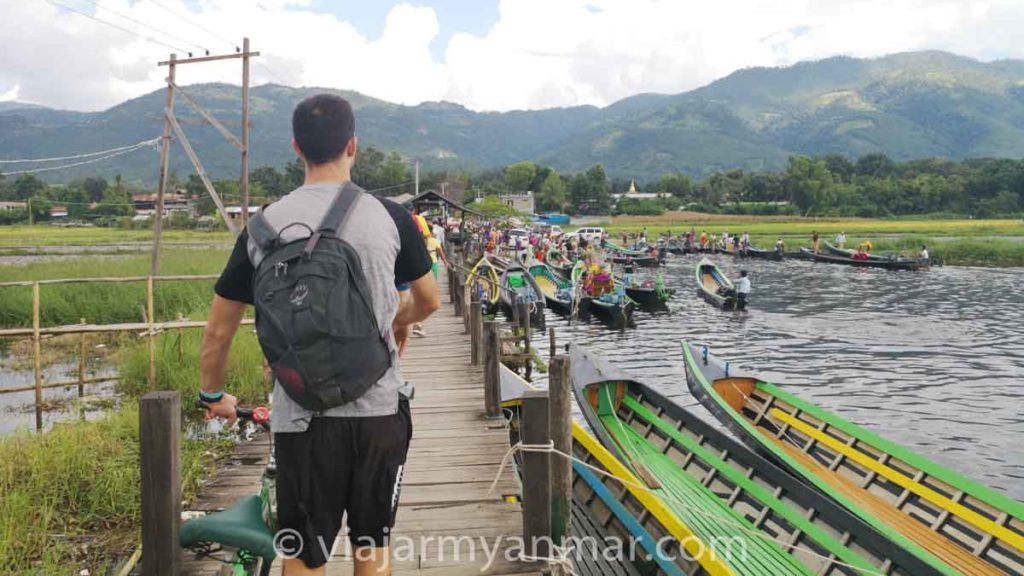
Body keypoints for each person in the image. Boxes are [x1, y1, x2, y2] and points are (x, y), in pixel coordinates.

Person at [199, 94, 439, 575]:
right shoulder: (391, 216)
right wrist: (395, 320)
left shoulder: (261, 227)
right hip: (378, 413)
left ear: (295, 147)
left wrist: (212, 395)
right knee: (372, 547)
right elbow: (430, 300)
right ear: (353, 145)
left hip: (300, 417)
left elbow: (218, 331)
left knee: (304, 555)